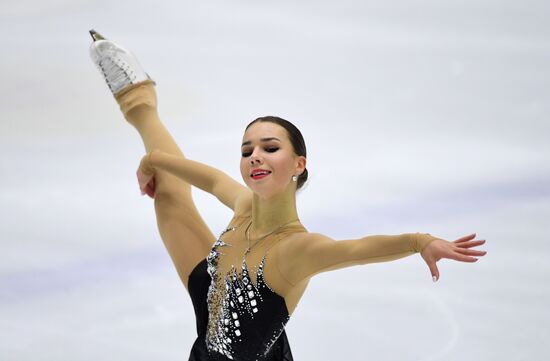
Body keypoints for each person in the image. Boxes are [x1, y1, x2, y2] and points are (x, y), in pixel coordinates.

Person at [89, 30, 487, 361]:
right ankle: (136, 97)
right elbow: (210, 179)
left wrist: (421, 242)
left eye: (269, 148)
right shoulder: (245, 206)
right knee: (170, 196)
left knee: (170, 195)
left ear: (299, 164)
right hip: (212, 300)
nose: (255, 156)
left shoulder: (297, 249)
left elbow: (358, 249)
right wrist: (153, 159)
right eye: (247, 151)